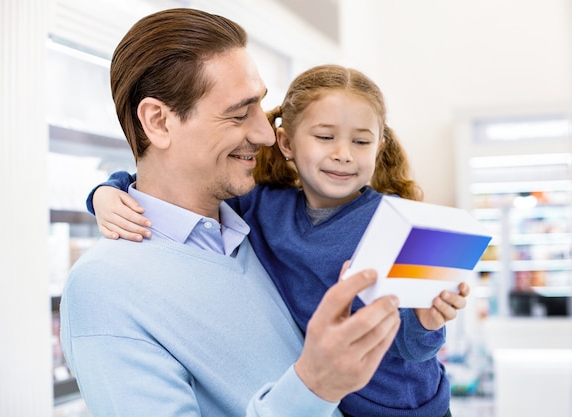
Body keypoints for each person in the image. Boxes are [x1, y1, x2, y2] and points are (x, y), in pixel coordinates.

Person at [60, 9, 404, 417]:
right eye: (240, 114)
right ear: (158, 121)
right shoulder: (104, 288)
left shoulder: (255, 228)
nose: (264, 134)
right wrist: (314, 386)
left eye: (260, 106)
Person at [88, 64, 470, 417]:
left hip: (409, 406)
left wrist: (426, 321)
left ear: (379, 147)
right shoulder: (263, 205)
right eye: (324, 137)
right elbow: (172, 189)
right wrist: (107, 192)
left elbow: (415, 347)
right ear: (285, 143)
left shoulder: (399, 222)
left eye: (361, 142)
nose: (342, 154)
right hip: (327, 402)